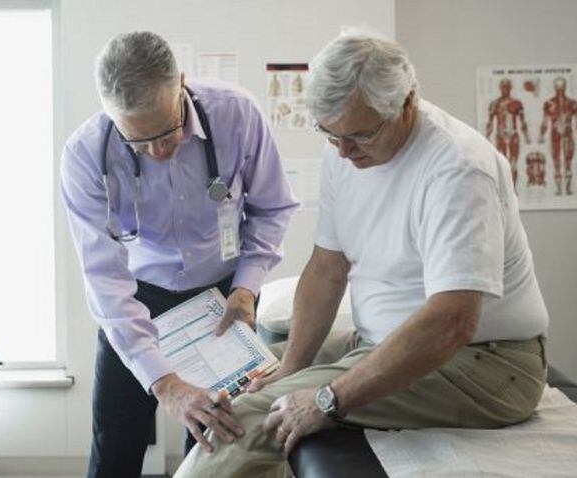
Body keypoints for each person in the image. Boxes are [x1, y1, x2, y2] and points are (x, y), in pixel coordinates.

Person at [174, 30, 550, 478]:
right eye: (331, 136)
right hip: (386, 338)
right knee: (265, 362)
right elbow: (327, 268)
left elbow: (452, 321)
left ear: (407, 103)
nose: (345, 152)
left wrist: (327, 398)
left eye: (360, 136)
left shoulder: (457, 170)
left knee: (249, 417)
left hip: (483, 362)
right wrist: (291, 368)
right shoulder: (345, 149)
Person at [60, 31, 298, 478]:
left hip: (227, 296)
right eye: (139, 144)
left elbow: (272, 208)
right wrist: (165, 384)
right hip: (137, 298)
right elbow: (104, 280)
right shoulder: (85, 155)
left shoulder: (236, 114)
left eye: (168, 131)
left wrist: (248, 286)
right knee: (115, 444)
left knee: (216, 440)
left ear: (182, 84)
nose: (159, 152)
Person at [484, 78, 529, 187]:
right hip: (500, 136)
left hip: (513, 135)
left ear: (510, 88)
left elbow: (522, 122)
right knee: (502, 164)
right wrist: (486, 137)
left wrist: (527, 137)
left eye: (507, 87)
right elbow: (490, 122)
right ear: (500, 88)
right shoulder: (494, 104)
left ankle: (513, 190)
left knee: (513, 163)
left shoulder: (517, 103)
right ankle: (504, 191)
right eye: (503, 87)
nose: (505, 89)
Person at [539, 76, 576, 195]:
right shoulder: (549, 103)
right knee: (556, 161)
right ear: (555, 87)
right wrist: (541, 135)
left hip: (568, 133)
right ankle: (559, 189)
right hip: (555, 134)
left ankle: (568, 189)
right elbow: (545, 121)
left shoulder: (572, 103)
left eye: (562, 86)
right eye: (558, 87)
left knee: (568, 161)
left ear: (565, 87)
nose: (560, 89)